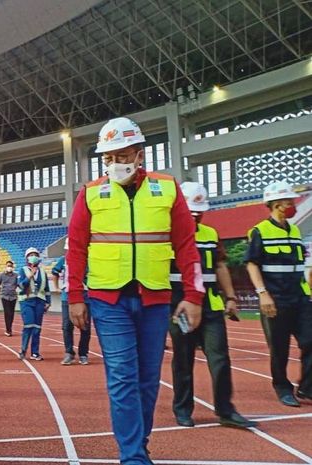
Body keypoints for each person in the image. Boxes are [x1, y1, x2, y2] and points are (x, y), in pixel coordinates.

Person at [67, 117, 203, 465]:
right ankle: (133, 457)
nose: (115, 162)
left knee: (147, 379)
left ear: (139, 154)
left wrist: (193, 295)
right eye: (108, 157)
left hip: (155, 298)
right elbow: (76, 249)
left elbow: (187, 246)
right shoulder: (91, 193)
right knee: (123, 376)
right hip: (107, 299)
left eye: (122, 154)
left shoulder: (168, 188)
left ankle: (138, 445)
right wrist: (75, 297)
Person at [169, 183, 256, 429]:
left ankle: (226, 410)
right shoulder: (166, 234)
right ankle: (183, 409)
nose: (196, 214)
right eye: (191, 209)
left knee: (220, 358)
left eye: (200, 210)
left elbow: (219, 267)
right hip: (180, 306)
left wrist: (230, 297)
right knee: (183, 359)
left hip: (209, 304)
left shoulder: (210, 233)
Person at [245, 180, 312, 407]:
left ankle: (307, 388)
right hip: (275, 299)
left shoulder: (294, 230)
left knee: (310, 341)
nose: (292, 204)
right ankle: (283, 388)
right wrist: (263, 294)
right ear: (275, 204)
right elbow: (252, 264)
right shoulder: (259, 231)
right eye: (288, 200)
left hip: (300, 298)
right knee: (280, 347)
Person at [52, 239, 91, 366]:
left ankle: (83, 353)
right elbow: (54, 272)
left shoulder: (87, 260)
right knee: (67, 326)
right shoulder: (63, 260)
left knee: (85, 326)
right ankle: (69, 352)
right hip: (66, 296)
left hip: (85, 296)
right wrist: (57, 287)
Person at [17, 247, 51, 361]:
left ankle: (35, 352)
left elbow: (46, 288)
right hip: (27, 301)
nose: (33, 256)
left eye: (35, 254)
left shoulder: (42, 272)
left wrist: (48, 302)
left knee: (37, 328)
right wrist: (29, 276)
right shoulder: (23, 270)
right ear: (27, 258)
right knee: (28, 325)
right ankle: (23, 350)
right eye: (31, 255)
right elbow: (21, 286)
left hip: (39, 301)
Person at [0, 261, 18, 336]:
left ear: (13, 267)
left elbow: (19, 284)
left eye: (11, 266)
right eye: (8, 266)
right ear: (6, 267)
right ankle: (8, 330)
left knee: (11, 314)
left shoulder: (16, 275)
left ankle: (9, 328)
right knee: (7, 313)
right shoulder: (2, 275)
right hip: (5, 296)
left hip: (13, 296)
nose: (9, 267)